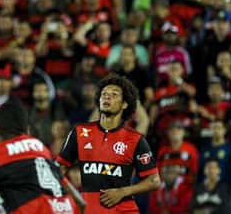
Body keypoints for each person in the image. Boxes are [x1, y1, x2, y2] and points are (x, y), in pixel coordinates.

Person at [56, 74, 161, 213]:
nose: (107, 97)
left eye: (114, 94)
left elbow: (154, 181)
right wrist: (72, 196)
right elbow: (57, 170)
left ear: (124, 103)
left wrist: (122, 192)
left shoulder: (135, 139)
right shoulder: (80, 132)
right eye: (104, 94)